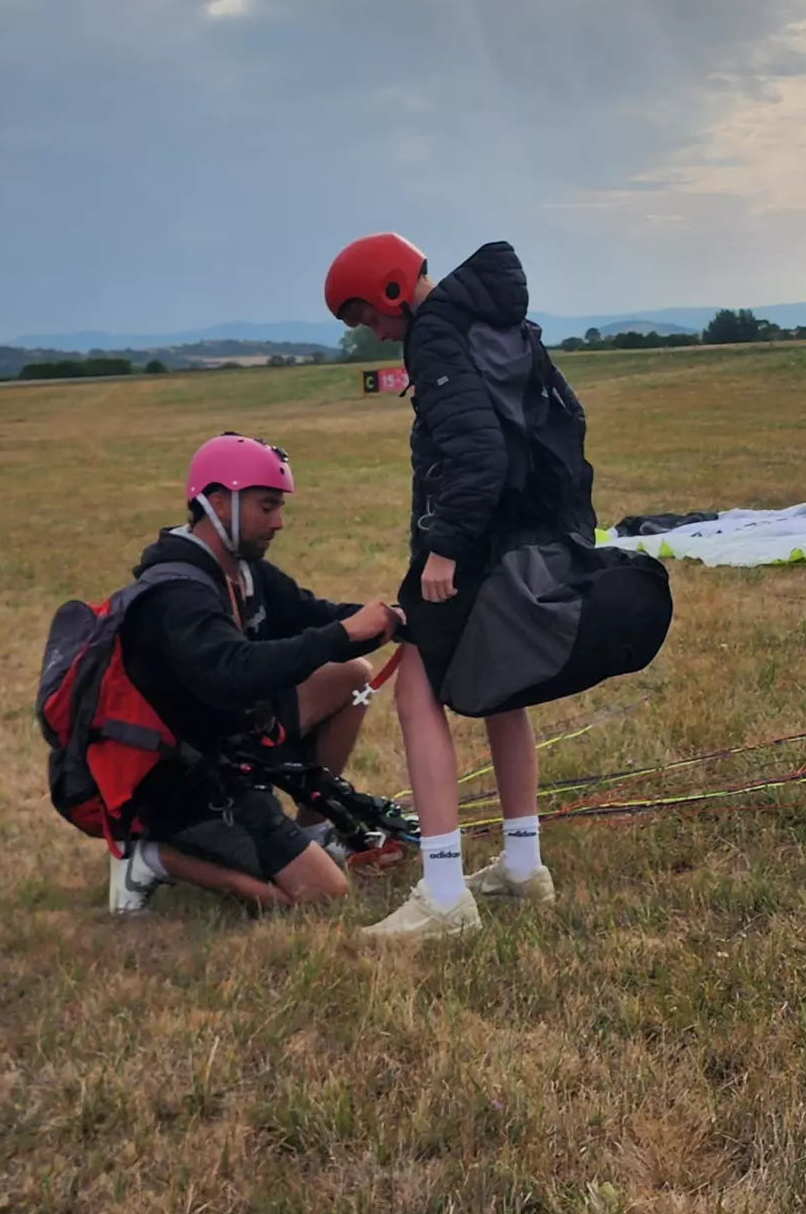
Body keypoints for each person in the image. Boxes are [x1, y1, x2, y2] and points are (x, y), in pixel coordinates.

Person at [325, 235, 591, 939]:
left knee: (415, 692)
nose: (372, 333)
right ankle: (522, 868)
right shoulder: (485, 318)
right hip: (518, 533)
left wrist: (442, 552)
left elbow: (477, 453)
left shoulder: (437, 335)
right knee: (503, 691)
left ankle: (443, 894)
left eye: (367, 316)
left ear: (390, 290)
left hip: (471, 545)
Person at [110, 433, 402, 915]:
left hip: (236, 738)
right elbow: (231, 674)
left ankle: (313, 829)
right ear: (220, 502)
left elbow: (313, 616)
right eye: (267, 507)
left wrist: (396, 621)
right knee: (319, 899)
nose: (279, 522)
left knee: (351, 673)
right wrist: (341, 632)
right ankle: (151, 857)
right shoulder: (176, 594)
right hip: (183, 777)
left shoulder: (244, 570)